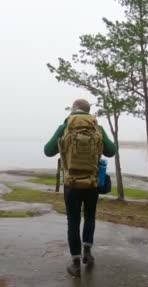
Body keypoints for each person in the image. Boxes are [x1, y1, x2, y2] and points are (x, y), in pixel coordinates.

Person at [44, 99, 117, 277]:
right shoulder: (97, 128)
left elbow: (48, 150)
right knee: (90, 217)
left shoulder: (65, 126)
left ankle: (75, 264)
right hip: (92, 184)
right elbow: (111, 151)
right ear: (88, 111)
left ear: (73, 110)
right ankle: (88, 253)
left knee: (73, 221)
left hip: (71, 184)